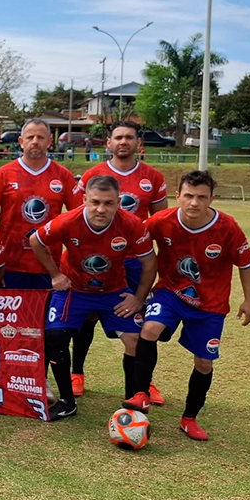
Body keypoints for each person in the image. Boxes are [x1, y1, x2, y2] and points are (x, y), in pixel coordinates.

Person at [123, 171, 250, 440]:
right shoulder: (162, 220)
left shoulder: (227, 227)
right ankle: (141, 393)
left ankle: (189, 418)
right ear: (178, 196)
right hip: (171, 292)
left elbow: (246, 263)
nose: (194, 203)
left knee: (204, 362)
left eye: (202, 197)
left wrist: (249, 299)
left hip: (210, 303)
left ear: (211, 199)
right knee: (149, 329)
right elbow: (135, 240)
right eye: (189, 196)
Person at [30, 175, 157, 421]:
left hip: (113, 291)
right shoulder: (68, 221)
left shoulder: (132, 224)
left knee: (135, 340)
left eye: (108, 203)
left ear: (118, 202)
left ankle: (132, 403)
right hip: (74, 289)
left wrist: (138, 298)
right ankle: (67, 402)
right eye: (95, 202)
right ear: (84, 199)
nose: (101, 209)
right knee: (55, 336)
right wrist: (55, 274)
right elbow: (36, 240)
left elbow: (150, 262)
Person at [71, 121, 169, 401]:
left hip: (134, 261)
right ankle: (77, 373)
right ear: (109, 143)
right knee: (88, 315)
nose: (123, 142)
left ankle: (144, 382)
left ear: (139, 143)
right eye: (118, 137)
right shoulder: (93, 174)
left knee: (141, 321)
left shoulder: (153, 177)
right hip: (97, 259)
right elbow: (80, 217)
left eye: (129, 137)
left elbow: (159, 222)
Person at [0, 118, 80, 291]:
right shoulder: (3, 174)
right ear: (21, 141)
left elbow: (79, 220)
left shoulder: (63, 176)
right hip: (10, 265)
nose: (35, 141)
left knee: (44, 310)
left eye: (40, 137)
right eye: (30, 137)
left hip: (50, 267)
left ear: (49, 141)